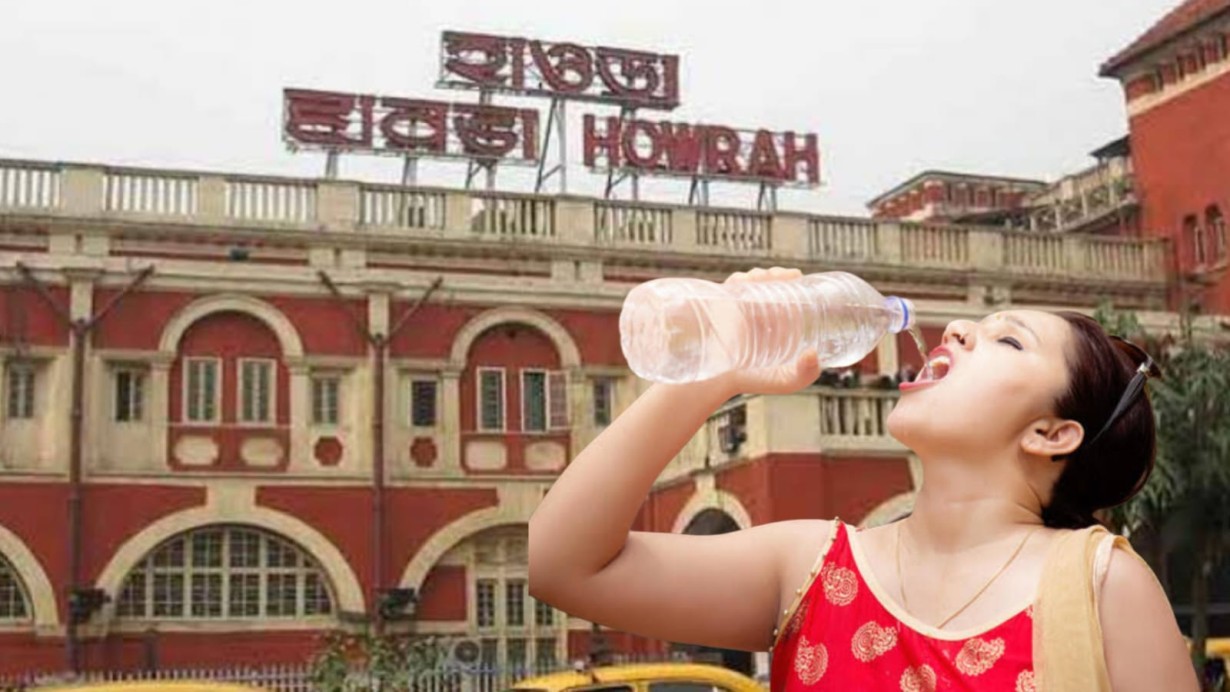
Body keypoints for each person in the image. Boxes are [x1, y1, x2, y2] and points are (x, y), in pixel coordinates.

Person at [528, 267, 1197, 691]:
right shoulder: (811, 568)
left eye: (1009, 341)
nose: (958, 331)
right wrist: (714, 373)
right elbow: (565, 565)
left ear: (1051, 434)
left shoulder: (1101, 587)